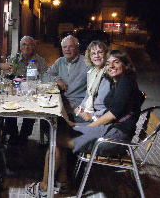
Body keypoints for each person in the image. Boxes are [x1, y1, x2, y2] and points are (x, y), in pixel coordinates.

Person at [25, 50, 144, 197]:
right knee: (60, 131)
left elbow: (112, 114)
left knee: (56, 140)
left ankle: (44, 188)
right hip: (112, 129)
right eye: (108, 63)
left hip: (115, 137)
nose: (111, 66)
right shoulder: (121, 81)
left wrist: (90, 126)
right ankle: (63, 183)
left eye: (116, 62)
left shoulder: (126, 82)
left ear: (126, 65)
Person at [4, 36, 49, 144]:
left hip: (32, 91)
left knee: (31, 110)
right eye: (24, 44)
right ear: (20, 47)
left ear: (33, 47)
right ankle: (13, 134)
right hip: (15, 91)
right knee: (8, 106)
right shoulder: (13, 59)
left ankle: (24, 134)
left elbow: (46, 77)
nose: (26, 47)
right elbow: (6, 76)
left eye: (29, 44)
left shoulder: (40, 61)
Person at [42, 35, 89, 116]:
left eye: (71, 47)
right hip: (60, 100)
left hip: (77, 102)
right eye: (65, 47)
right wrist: (56, 79)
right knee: (44, 114)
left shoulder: (86, 63)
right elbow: (45, 76)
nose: (67, 49)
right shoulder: (59, 61)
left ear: (77, 48)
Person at [74, 41, 111, 123]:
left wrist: (92, 115)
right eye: (93, 54)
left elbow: (108, 106)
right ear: (90, 57)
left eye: (100, 52)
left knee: (69, 129)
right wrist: (81, 108)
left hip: (100, 116)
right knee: (64, 119)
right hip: (90, 111)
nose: (97, 56)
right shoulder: (91, 72)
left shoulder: (108, 74)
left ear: (106, 54)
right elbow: (88, 95)